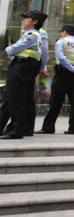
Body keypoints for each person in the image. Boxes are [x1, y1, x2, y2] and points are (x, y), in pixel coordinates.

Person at [1, 10, 47, 139]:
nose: (24, 20)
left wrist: (7, 50)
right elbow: (44, 55)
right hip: (26, 67)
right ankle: (19, 128)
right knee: (20, 98)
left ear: (35, 21)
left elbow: (14, 48)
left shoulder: (31, 35)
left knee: (15, 99)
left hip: (21, 66)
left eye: (27, 18)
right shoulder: (37, 35)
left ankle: (16, 130)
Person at [36, 25, 74, 135]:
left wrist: (71, 68)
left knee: (55, 101)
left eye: (62, 32)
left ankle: (48, 127)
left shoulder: (61, 42)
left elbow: (60, 57)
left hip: (63, 74)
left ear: (65, 32)